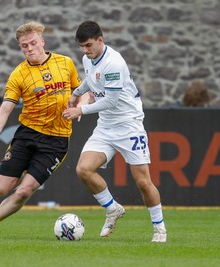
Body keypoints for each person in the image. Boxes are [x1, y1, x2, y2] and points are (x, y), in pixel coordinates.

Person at [0, 21, 83, 239]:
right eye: (24, 46)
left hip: (56, 141)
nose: (30, 48)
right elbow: (4, 111)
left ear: (42, 41)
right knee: (1, 189)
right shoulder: (18, 75)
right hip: (28, 134)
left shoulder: (65, 63)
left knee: (23, 191)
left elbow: (83, 91)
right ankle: (23, 169)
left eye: (33, 43)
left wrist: (81, 109)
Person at [62, 21, 167, 242]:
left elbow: (110, 101)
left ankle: (159, 229)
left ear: (101, 39)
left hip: (129, 125)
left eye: (89, 45)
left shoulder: (114, 63)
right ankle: (112, 208)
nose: (85, 50)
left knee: (143, 182)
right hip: (106, 127)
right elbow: (91, 80)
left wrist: (80, 109)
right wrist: (76, 93)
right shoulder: (88, 58)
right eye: (82, 46)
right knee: (83, 169)